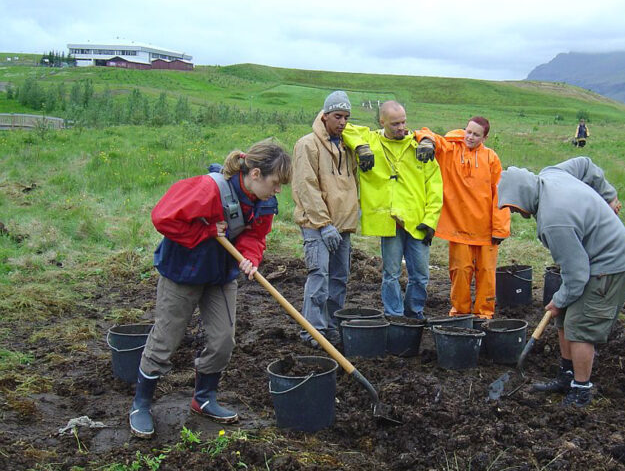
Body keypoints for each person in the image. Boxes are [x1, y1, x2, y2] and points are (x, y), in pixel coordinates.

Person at [129, 140, 292, 438]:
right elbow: (162, 217)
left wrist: (250, 258)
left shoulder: (265, 203)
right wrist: (205, 230)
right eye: (276, 183)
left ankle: (203, 398)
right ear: (255, 174)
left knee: (223, 340)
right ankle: (141, 404)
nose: (278, 190)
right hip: (183, 271)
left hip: (220, 276)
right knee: (166, 338)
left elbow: (256, 236)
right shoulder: (208, 189)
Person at [498, 157, 625, 407]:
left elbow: (577, 275)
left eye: (513, 207)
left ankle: (581, 391)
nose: (515, 213)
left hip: (610, 266)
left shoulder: (554, 221)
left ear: (523, 196)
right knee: (564, 318)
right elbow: (584, 164)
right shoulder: (550, 174)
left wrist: (559, 300)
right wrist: (608, 194)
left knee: (580, 326)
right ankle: (567, 375)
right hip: (592, 259)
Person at [342, 100, 443, 319]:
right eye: (395, 123)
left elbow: (435, 188)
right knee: (390, 274)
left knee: (420, 276)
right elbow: (345, 128)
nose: (401, 127)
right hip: (389, 222)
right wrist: (361, 147)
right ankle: (394, 316)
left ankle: (414, 314)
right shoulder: (371, 139)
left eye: (403, 122)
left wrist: (431, 220)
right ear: (382, 121)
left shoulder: (420, 147)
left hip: (418, 222)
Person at [413, 117, 510, 319]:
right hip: (458, 229)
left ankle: (484, 315)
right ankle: (460, 315)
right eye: (468, 132)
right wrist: (426, 142)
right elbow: (426, 133)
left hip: (486, 231)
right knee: (460, 273)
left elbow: (500, 194)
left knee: (486, 274)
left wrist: (500, 229)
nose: (470, 137)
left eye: (476, 134)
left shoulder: (491, 158)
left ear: (485, 137)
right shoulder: (450, 149)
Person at [292, 91, 358, 348]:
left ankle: (330, 326)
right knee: (319, 276)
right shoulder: (307, 145)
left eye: (346, 117)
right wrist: (324, 223)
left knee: (339, 278)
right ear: (325, 115)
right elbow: (306, 187)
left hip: (344, 225)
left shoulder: (347, 146)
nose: (342, 122)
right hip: (317, 225)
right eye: (337, 116)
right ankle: (313, 331)